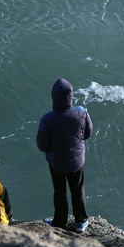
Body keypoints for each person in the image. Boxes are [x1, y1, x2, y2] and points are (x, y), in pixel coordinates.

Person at [36, 78, 93, 232]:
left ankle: (60, 222)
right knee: (78, 190)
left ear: (54, 97)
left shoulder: (47, 119)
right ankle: (81, 222)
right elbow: (88, 133)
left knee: (59, 192)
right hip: (77, 161)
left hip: (57, 163)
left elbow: (42, 145)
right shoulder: (81, 112)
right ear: (71, 96)